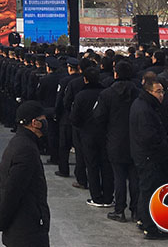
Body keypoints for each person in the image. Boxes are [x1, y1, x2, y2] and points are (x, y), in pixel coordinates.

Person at [0, 100, 50, 247]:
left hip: (19, 228)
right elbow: (12, 190)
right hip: (27, 229)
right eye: (43, 119)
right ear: (34, 123)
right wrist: (1, 220)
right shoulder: (26, 149)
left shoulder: (19, 143)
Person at [93, 60, 139, 223]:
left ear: (116, 74)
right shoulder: (139, 93)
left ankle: (119, 210)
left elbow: (98, 117)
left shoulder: (107, 94)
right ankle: (136, 210)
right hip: (136, 140)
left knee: (119, 177)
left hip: (115, 140)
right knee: (135, 177)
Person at [129, 75, 168, 241]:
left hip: (142, 154)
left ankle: (142, 219)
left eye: (162, 91)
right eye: (158, 91)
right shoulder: (145, 109)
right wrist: (163, 142)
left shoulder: (143, 104)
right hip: (148, 156)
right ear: (149, 91)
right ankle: (150, 227)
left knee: (145, 189)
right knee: (149, 192)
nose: (161, 95)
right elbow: (148, 136)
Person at [70, 67, 112, 208]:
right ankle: (108, 196)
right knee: (106, 166)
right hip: (105, 134)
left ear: (85, 79)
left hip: (87, 134)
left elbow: (74, 117)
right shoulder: (106, 93)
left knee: (92, 165)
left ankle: (96, 197)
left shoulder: (81, 96)